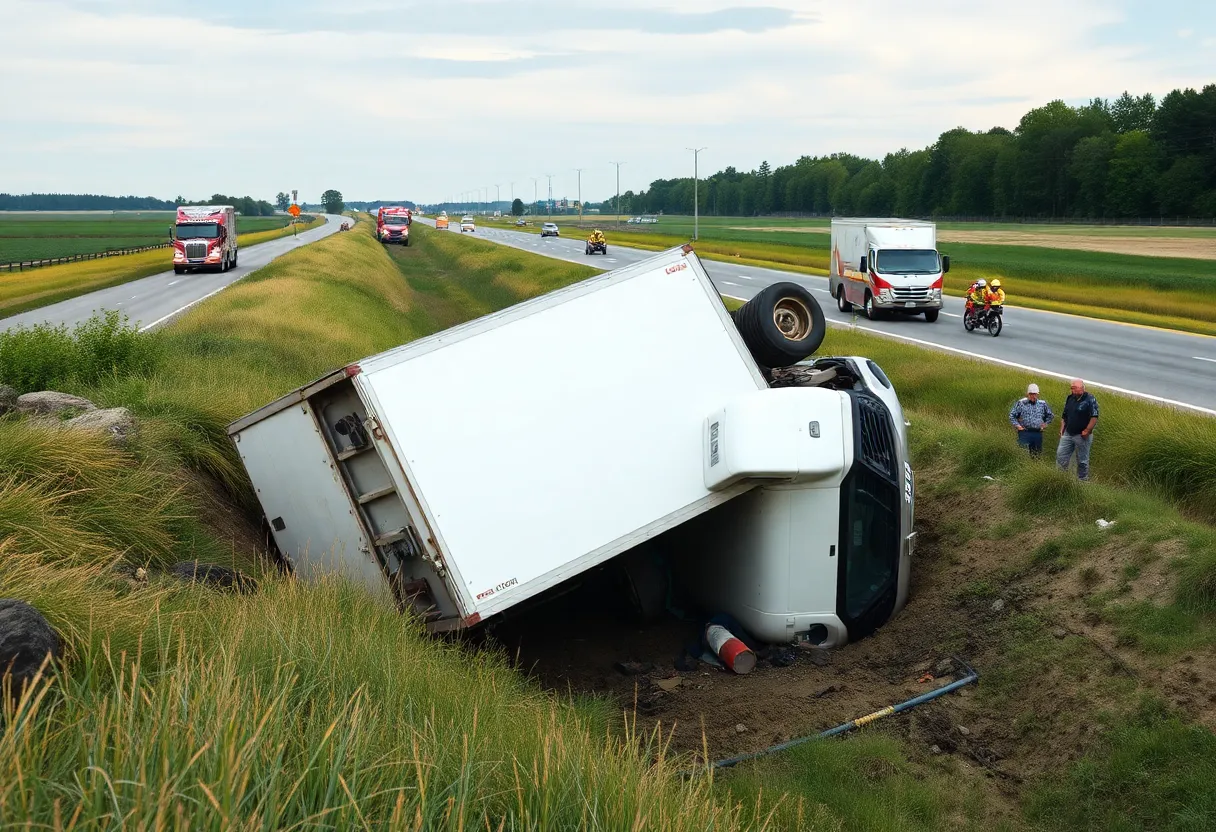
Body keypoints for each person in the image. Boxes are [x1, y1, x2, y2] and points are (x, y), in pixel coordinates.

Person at [1057, 378, 1100, 480]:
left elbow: (1094, 416)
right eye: (1072, 388)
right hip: (1068, 432)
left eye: (1075, 388)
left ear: (1082, 388)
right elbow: (1064, 415)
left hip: (1081, 435)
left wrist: (1087, 430)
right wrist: (1062, 429)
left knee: (1082, 460)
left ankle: (1082, 480)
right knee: (1061, 455)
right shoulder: (1070, 398)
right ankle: (1060, 478)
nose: (1074, 391)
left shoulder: (1090, 399)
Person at [1009, 383, 1053, 456]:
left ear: (1038, 394)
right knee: (1023, 455)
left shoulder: (1042, 404)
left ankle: (1035, 467)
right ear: (1027, 394)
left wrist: (1045, 424)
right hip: (1025, 432)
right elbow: (1012, 415)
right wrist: (1018, 426)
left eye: (1035, 394)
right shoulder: (1021, 403)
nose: (1033, 396)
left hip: (1037, 433)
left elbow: (1050, 415)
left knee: (1036, 455)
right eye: (1031, 394)